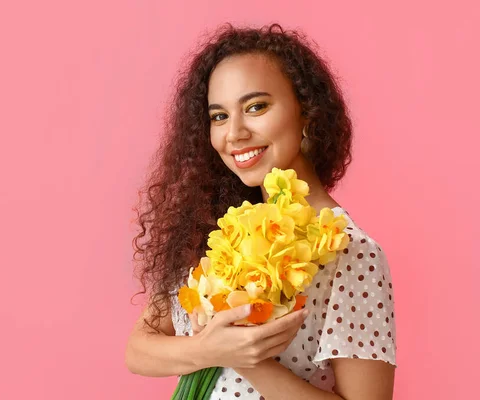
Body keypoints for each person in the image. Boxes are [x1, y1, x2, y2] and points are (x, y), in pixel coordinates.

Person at [125, 23, 396, 399]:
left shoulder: (352, 252)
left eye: (256, 107)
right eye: (218, 116)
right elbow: (138, 349)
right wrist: (211, 349)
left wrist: (247, 357)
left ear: (307, 112)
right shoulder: (221, 230)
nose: (234, 133)